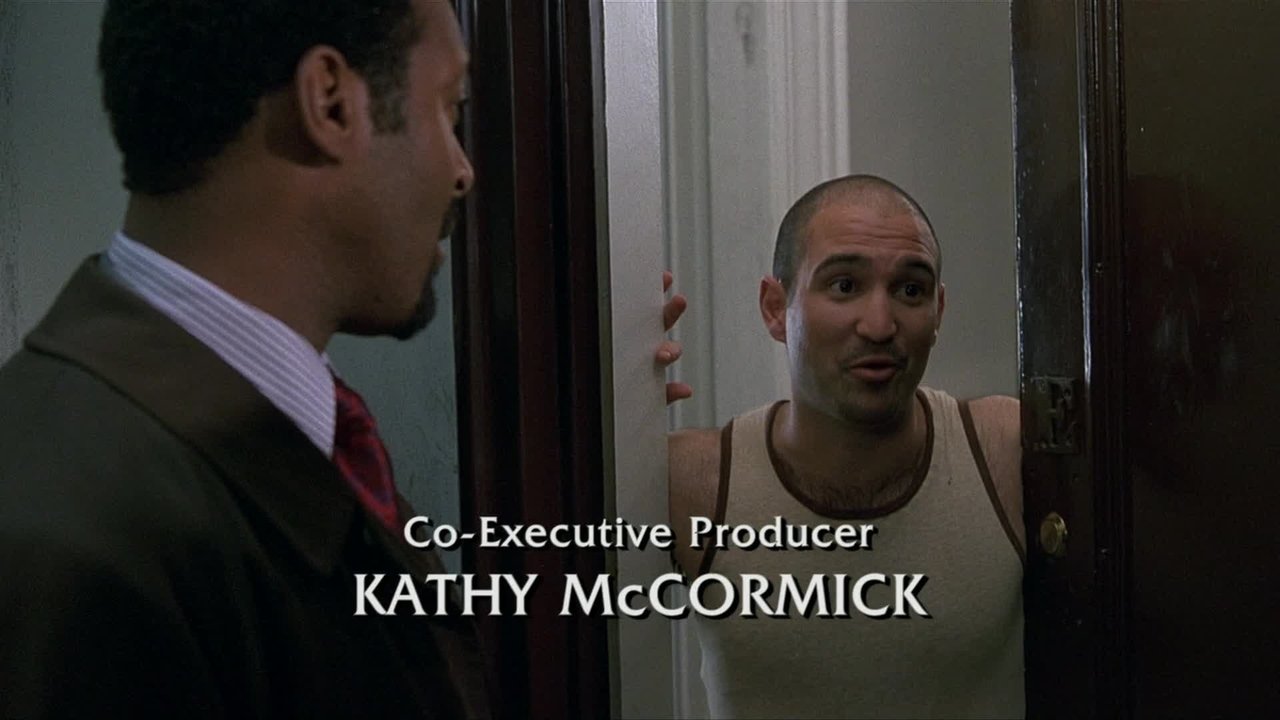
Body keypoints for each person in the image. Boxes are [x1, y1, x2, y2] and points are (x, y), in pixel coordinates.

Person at [0, 0, 685, 716]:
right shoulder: (74, 543)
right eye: (448, 107)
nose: (462, 171)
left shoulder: (278, 441)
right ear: (330, 102)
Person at [668, 174, 1025, 719]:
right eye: (843, 285)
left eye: (910, 290)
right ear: (775, 307)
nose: (879, 326)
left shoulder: (1003, 451)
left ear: (939, 311)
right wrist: (600, 410)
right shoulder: (697, 481)